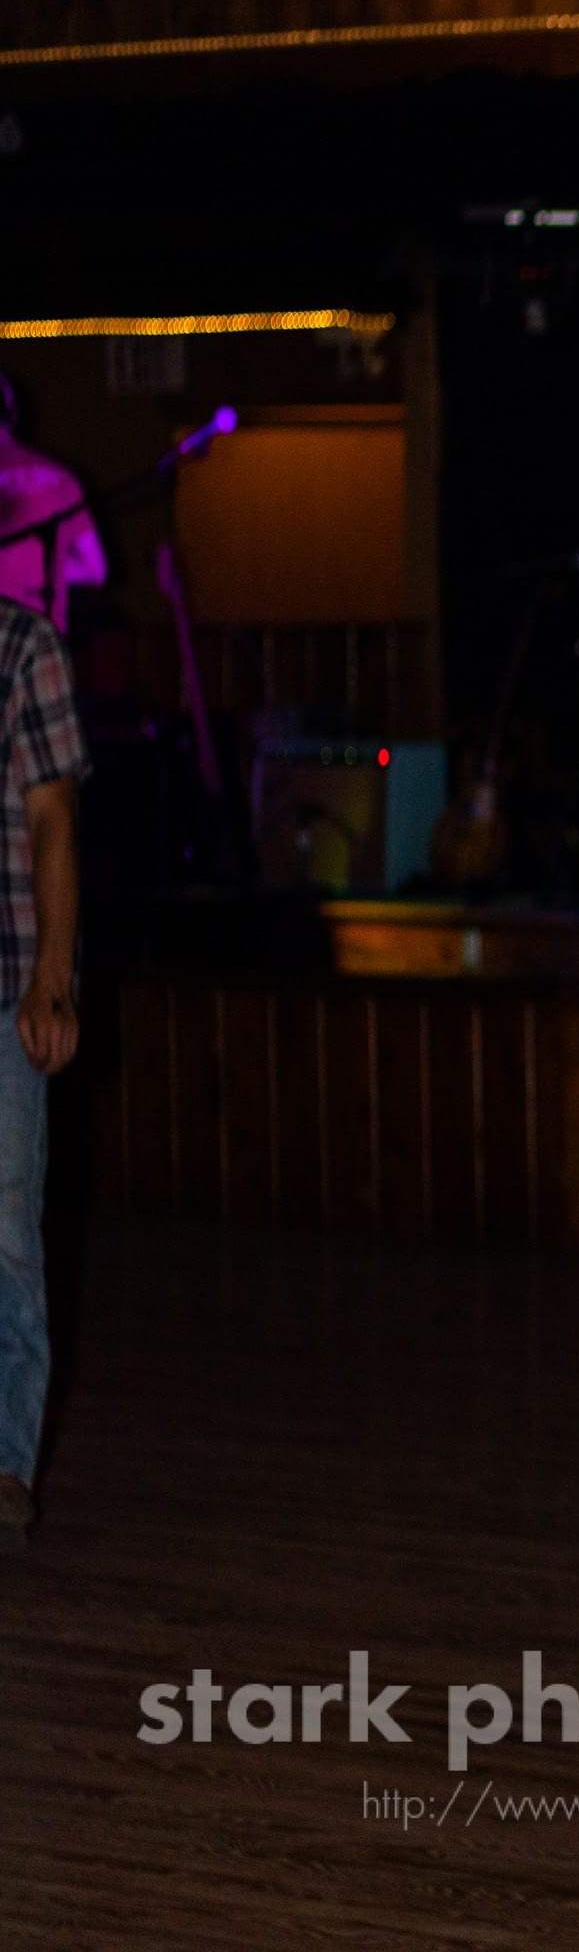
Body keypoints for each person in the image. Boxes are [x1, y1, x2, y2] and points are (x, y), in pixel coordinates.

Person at [0, 590, 87, 1544]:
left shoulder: (23, 645)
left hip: (4, 981)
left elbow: (53, 815)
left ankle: (4, 1466)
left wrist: (51, 982)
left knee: (6, 1233)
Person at [0, 375, 107, 634]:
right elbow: (95, 569)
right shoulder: (61, 479)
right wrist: (36, 566)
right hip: (43, 641)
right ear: (13, 414)